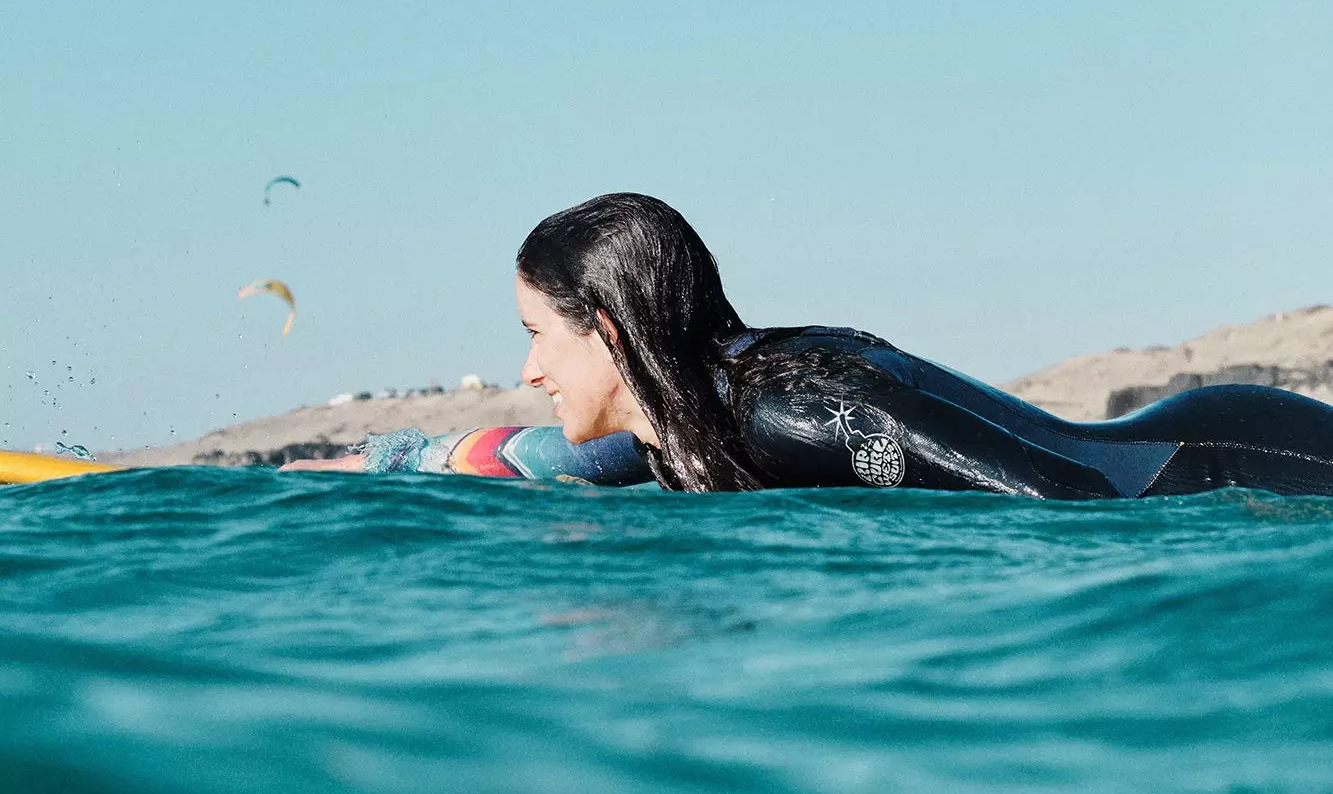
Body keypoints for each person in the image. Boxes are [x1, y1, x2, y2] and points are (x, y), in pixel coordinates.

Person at [283, 194, 1333, 498]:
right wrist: (372, 465)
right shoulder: (678, 429)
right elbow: (545, 457)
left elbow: (1062, 501)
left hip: (1200, 461)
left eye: (534, 338)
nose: (525, 371)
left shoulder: (782, 407)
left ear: (604, 328)